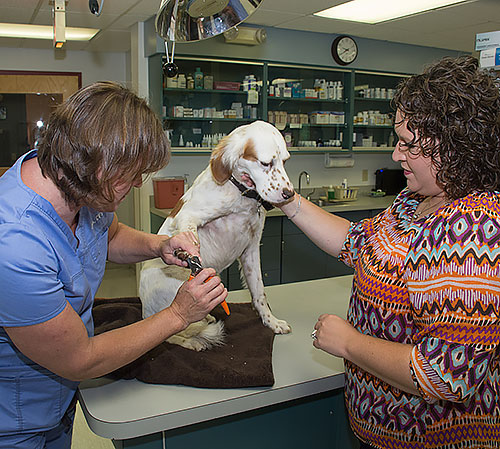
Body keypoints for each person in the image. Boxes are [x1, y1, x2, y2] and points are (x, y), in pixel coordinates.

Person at [281, 55, 500, 448]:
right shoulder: (415, 199)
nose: (396, 155)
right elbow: (359, 244)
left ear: (457, 147)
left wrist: (347, 342)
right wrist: (286, 200)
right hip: (379, 427)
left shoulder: (472, 228)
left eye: (409, 144)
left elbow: (445, 375)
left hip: (431, 437)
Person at [0, 81, 228, 448]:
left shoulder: (78, 184)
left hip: (58, 404)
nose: (138, 185)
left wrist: (161, 245)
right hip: (14, 424)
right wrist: (179, 315)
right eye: (132, 174)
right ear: (96, 162)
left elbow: (111, 236)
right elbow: (80, 358)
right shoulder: (13, 246)